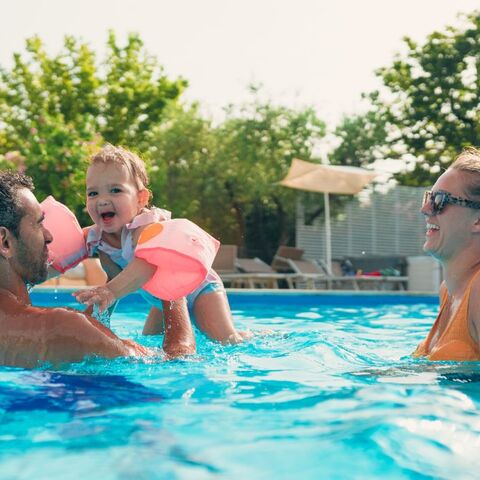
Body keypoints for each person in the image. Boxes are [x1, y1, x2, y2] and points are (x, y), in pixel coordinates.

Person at [0, 171, 196, 369]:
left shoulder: (60, 330)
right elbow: (174, 362)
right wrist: (171, 284)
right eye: (39, 223)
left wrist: (112, 286)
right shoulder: (65, 328)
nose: (49, 236)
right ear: (5, 242)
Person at [72, 145, 251, 344]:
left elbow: (147, 263)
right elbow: (113, 279)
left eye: (115, 190)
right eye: (93, 193)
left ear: (141, 199)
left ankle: (251, 336)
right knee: (149, 340)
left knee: (226, 341)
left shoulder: (145, 227)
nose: (102, 200)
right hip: (160, 296)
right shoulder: (101, 239)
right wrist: (93, 321)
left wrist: (110, 291)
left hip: (199, 289)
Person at [414, 147, 480, 361]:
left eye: (440, 200)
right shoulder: (448, 292)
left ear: (477, 220)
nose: (425, 209)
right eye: (428, 197)